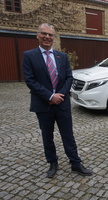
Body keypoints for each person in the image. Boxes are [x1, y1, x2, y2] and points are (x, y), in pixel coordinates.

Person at [22, 23, 93, 178]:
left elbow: (69, 77)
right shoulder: (29, 56)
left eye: (50, 35)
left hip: (62, 104)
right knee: (47, 136)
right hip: (43, 104)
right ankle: (52, 162)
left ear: (54, 37)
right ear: (37, 35)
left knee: (68, 135)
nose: (47, 37)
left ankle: (75, 163)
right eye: (44, 34)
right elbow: (30, 80)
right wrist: (49, 96)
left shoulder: (62, 56)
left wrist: (58, 96)